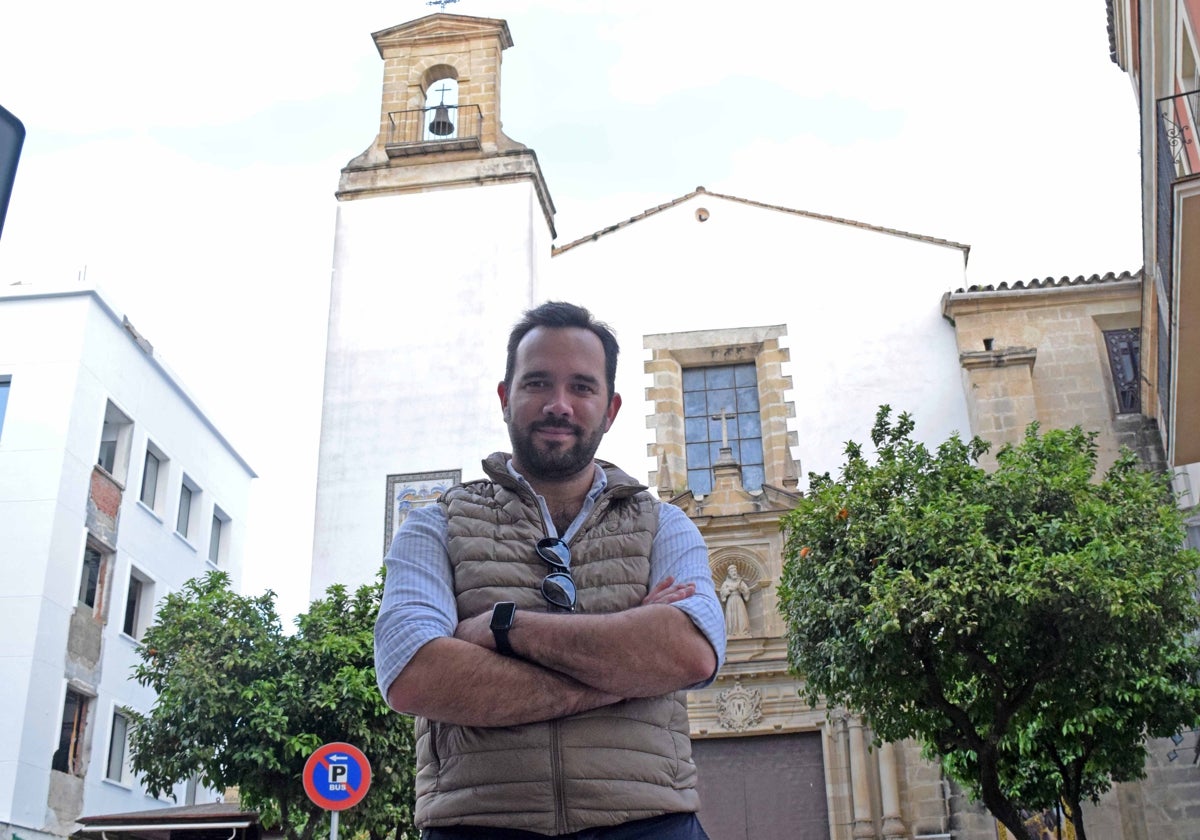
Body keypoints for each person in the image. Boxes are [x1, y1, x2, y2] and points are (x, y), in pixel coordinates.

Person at [374, 301, 726, 839]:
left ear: (610, 409)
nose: (558, 405)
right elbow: (414, 676)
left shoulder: (666, 525)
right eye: (537, 383)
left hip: (651, 824)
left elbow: (690, 652)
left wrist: (503, 628)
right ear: (504, 397)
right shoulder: (433, 525)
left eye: (582, 388)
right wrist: (627, 670)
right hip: (477, 827)